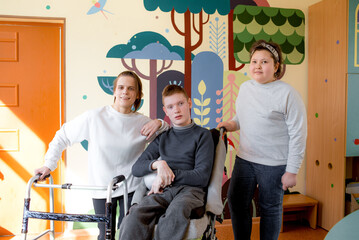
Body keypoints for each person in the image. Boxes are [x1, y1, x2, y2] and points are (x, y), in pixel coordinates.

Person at [34, 70, 168, 240]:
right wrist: (48, 164)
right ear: (114, 91)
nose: (125, 92)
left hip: (131, 186)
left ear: (137, 95)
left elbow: (171, 137)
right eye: (121, 87)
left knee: (129, 231)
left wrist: (160, 123)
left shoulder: (142, 122)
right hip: (102, 187)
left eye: (130, 88)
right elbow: (63, 136)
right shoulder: (95, 117)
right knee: (105, 234)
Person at [217, 40, 307, 240]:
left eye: (264, 61)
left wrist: (292, 170)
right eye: (254, 61)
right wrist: (229, 125)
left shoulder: (288, 94)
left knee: (270, 209)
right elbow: (242, 118)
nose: (258, 65)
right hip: (245, 160)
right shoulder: (246, 88)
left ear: (276, 66)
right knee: (236, 201)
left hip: (274, 165)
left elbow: (298, 134)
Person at [118, 85, 214, 240]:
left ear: (189, 103)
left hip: (191, 191)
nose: (176, 110)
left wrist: (165, 176)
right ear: (165, 111)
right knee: (135, 215)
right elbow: (137, 169)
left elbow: (201, 176)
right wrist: (159, 165)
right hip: (164, 191)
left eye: (180, 104)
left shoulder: (203, 135)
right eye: (171, 106)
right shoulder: (163, 138)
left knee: (175, 213)